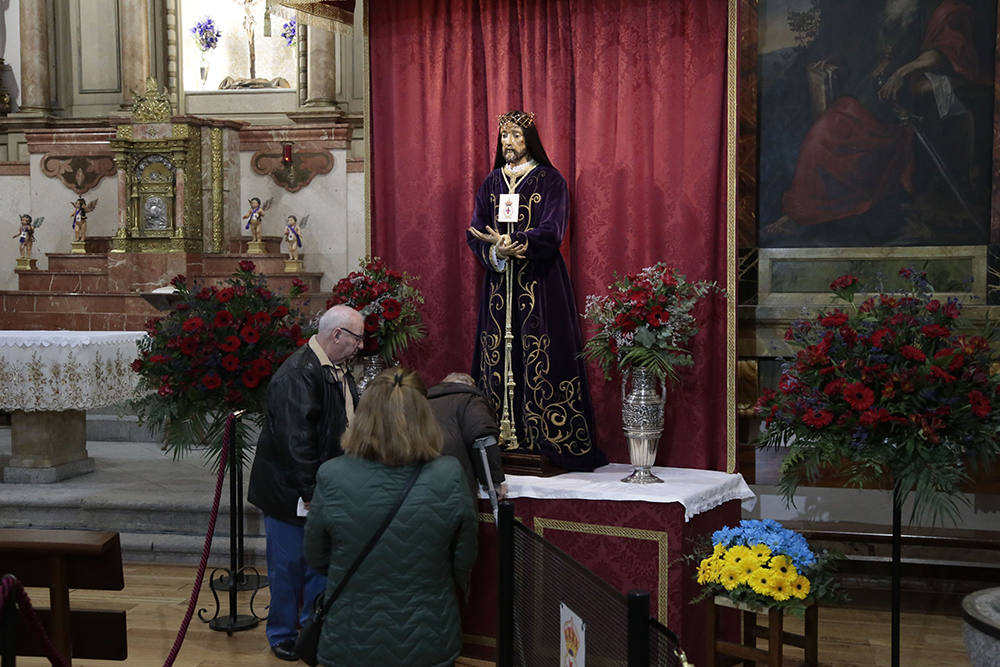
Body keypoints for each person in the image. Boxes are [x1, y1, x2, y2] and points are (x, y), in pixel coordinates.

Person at [764, 0, 993, 244]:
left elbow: (948, 51)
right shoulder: (887, 9)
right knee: (824, 135)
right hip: (873, 92)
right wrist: (839, 58)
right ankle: (805, 210)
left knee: (829, 137)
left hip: (912, 95)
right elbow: (871, 46)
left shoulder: (941, 9)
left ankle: (806, 212)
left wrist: (903, 72)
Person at [303, 367, 477, 667]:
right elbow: (464, 557)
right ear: (425, 416)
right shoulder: (449, 474)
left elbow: (316, 556)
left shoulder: (333, 475)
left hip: (351, 633)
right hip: (428, 631)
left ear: (363, 416)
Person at [466, 110, 606, 472]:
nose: (507, 143)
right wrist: (494, 249)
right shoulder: (491, 183)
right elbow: (475, 229)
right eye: (503, 137)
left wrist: (517, 242)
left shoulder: (550, 180)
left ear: (529, 140)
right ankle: (497, 434)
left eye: (514, 136)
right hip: (500, 286)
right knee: (497, 356)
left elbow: (553, 229)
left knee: (542, 353)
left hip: (539, 285)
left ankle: (545, 436)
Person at [247, 304, 364, 661]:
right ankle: (282, 633)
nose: (361, 346)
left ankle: (312, 627)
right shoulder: (298, 373)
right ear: (336, 335)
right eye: (357, 338)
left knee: (319, 563)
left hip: (322, 486)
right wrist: (312, 492)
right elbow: (297, 442)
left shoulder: (333, 367)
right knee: (289, 566)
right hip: (291, 492)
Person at [427, 372, 507, 502]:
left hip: (419, 482)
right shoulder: (471, 400)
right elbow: (483, 440)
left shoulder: (422, 402)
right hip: (454, 482)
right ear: (470, 386)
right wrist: (494, 483)